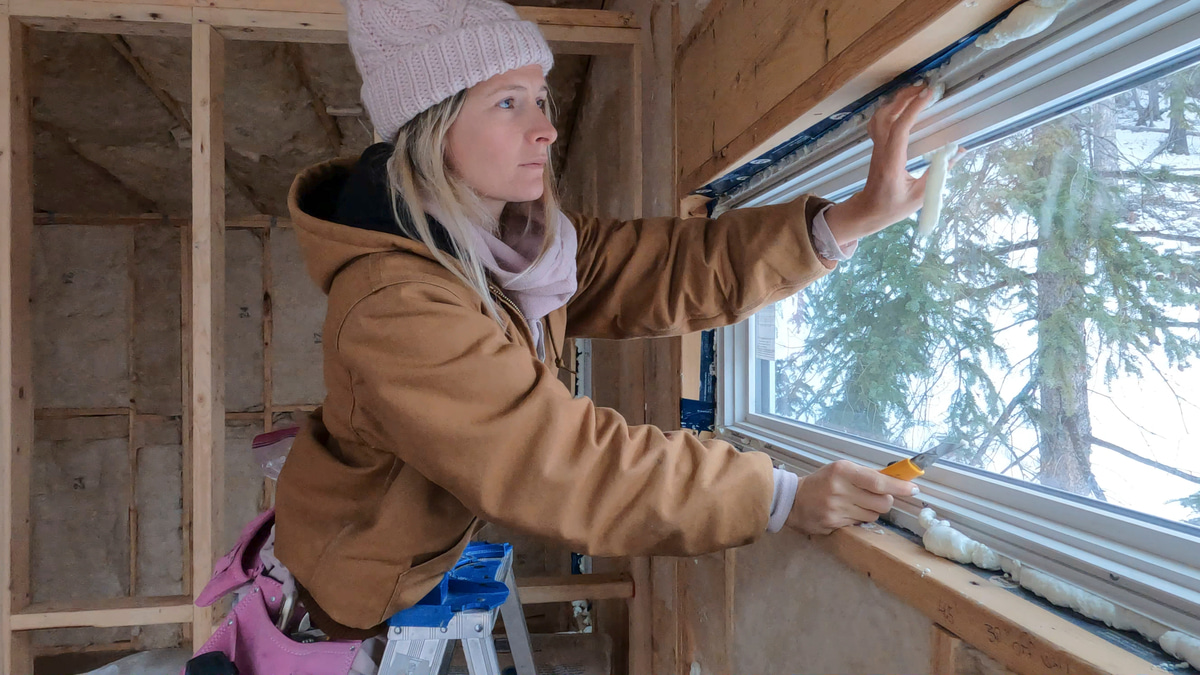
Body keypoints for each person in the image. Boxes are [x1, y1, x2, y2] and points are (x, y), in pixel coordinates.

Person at [275, 0, 934, 638]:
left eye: (541, 97)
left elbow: (664, 267)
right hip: (355, 583)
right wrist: (778, 496)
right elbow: (563, 465)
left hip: (420, 539)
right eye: (508, 102)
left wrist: (849, 218)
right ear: (431, 125)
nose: (546, 129)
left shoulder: (513, 243)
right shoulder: (395, 307)